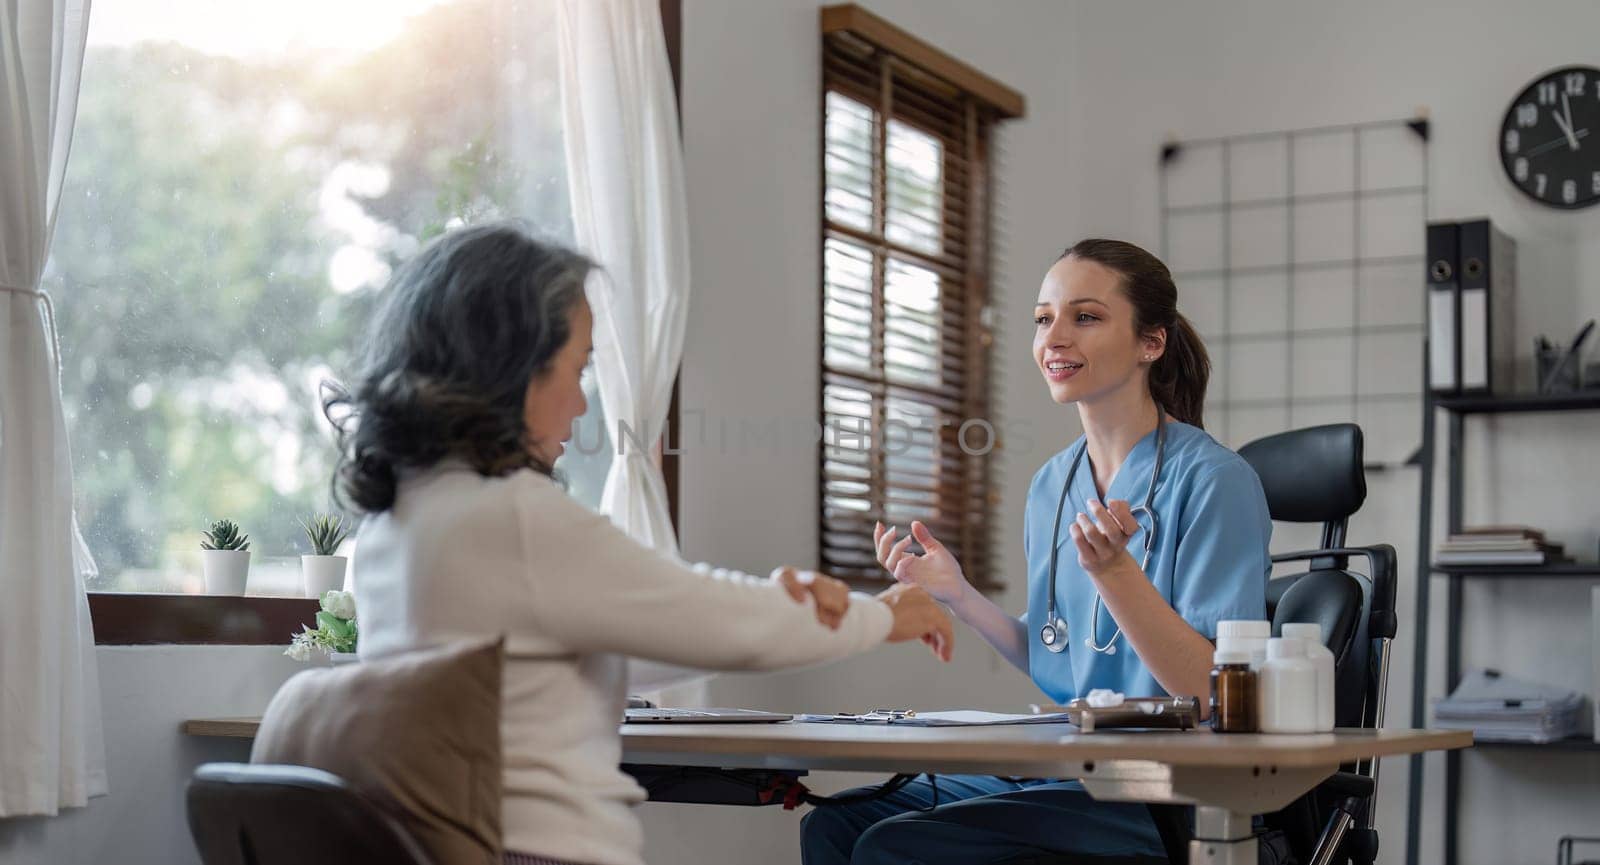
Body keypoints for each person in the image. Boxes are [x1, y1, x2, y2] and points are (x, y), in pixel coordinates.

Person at [327, 222, 955, 865]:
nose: (578, 405)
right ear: (510, 371)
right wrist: (880, 615)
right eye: (576, 371)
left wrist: (773, 603)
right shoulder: (510, 516)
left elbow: (630, 632)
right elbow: (716, 623)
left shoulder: (393, 524)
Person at [799, 238, 1272, 864]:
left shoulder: (1215, 480)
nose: (1055, 337)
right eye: (1043, 319)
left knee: (898, 847)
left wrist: (1114, 574)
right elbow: (1057, 656)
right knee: (835, 825)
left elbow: (1211, 693)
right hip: (1070, 768)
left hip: (1165, 790)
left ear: (1150, 343)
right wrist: (958, 595)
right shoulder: (1053, 484)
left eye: (1086, 317)